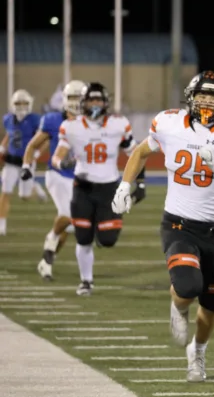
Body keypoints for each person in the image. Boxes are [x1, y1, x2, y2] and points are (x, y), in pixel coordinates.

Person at [112, 70, 214, 382]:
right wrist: (124, 186)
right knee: (188, 286)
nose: (208, 101)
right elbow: (140, 151)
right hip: (178, 224)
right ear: (191, 97)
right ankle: (178, 307)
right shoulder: (169, 123)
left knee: (213, 304)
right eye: (203, 94)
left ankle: (197, 351)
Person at [52, 82, 135, 295]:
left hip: (109, 188)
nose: (95, 104)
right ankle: (86, 281)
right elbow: (56, 157)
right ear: (84, 103)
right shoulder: (71, 126)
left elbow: (135, 153)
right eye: (91, 100)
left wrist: (140, 182)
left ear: (106, 102)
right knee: (83, 238)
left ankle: (100, 229)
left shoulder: (118, 124)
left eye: (99, 100)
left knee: (108, 240)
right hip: (83, 189)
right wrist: (62, 163)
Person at [20, 80, 85, 280]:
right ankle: (51, 239)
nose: (76, 102)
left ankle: (47, 260)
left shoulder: (91, 122)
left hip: (77, 177)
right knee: (68, 215)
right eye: (72, 97)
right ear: (64, 99)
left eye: (79, 97)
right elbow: (33, 145)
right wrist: (26, 166)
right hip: (56, 174)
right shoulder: (53, 120)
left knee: (70, 225)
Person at [0, 90, 43, 235]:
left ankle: (34, 187)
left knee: (24, 196)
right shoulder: (8, 119)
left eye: (24, 103)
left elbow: (44, 137)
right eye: (18, 103)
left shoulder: (35, 120)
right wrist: (2, 147)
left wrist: (37, 153)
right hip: (11, 161)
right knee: (6, 191)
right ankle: (1, 224)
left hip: (27, 161)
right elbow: (10, 134)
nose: (21, 106)